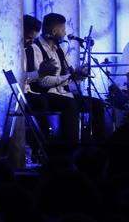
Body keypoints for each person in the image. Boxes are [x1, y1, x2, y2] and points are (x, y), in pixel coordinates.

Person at [26, 12, 105, 142]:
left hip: (63, 94)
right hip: (45, 94)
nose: (64, 33)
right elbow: (42, 82)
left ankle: (97, 146)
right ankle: (69, 149)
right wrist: (69, 77)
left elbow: (70, 76)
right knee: (71, 104)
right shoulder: (35, 48)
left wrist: (80, 75)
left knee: (97, 104)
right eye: (63, 29)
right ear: (54, 31)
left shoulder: (60, 49)